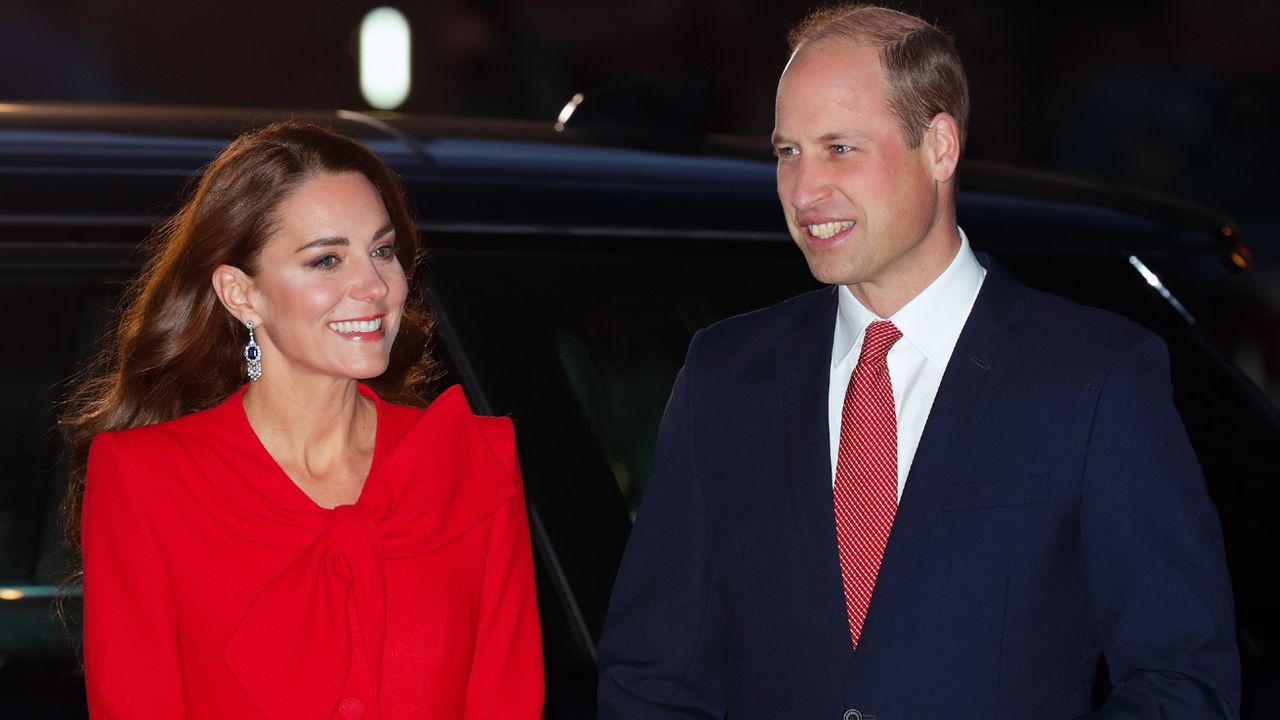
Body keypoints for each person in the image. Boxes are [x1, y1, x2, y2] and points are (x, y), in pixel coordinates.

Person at [596, 4, 1240, 718]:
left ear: (938, 147)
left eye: (840, 148)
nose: (804, 192)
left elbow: (1181, 683)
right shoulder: (725, 374)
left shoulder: (1095, 379)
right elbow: (651, 678)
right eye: (787, 152)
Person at [61, 121, 544, 719]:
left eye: (382, 250)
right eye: (326, 260)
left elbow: (508, 700)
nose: (373, 286)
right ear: (242, 295)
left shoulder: (470, 461)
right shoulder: (146, 480)